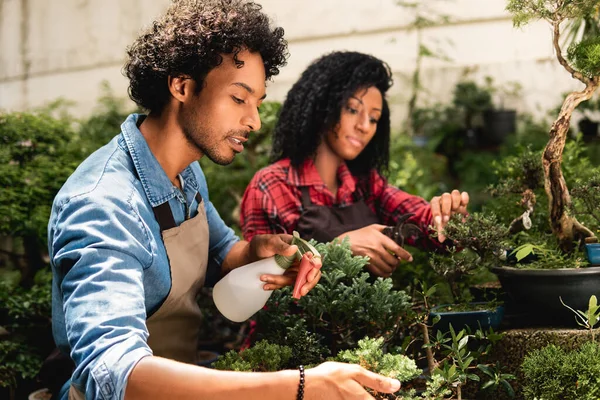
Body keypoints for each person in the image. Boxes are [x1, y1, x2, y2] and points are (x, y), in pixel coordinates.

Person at [48, 2, 401, 400]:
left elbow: (220, 252)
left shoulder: (187, 172)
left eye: (258, 103)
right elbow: (114, 374)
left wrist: (258, 252)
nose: (255, 121)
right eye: (239, 99)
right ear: (182, 86)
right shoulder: (104, 203)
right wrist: (300, 384)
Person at [240, 51, 470, 277]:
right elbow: (260, 280)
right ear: (322, 107)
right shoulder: (272, 186)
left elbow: (421, 224)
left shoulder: (366, 185)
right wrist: (339, 249)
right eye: (352, 109)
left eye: (373, 118)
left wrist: (446, 217)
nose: (365, 126)